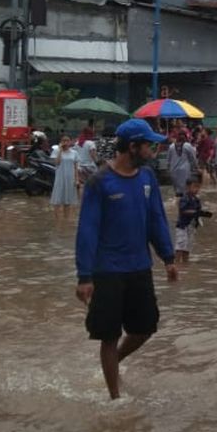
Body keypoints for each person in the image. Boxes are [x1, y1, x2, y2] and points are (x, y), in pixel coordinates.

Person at [75, 118, 178, 400]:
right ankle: (115, 398)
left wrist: (168, 257)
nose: (152, 151)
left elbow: (156, 218)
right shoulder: (99, 182)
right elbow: (87, 230)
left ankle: (114, 364)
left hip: (139, 267)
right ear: (132, 147)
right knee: (108, 334)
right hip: (107, 271)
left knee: (146, 327)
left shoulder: (147, 178)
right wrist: (84, 276)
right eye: (148, 145)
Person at [174, 177, 208, 264]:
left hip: (191, 226)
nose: (196, 189)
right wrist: (195, 212)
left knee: (188, 245)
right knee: (181, 244)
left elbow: (198, 211)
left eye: (198, 187)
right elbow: (182, 210)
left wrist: (201, 214)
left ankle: (185, 263)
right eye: (194, 187)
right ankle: (177, 263)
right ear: (188, 187)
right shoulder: (185, 198)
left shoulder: (196, 200)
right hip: (182, 226)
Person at [50, 135, 80, 216]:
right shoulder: (56, 151)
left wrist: (77, 180)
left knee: (68, 201)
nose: (65, 142)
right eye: (63, 140)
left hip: (70, 178)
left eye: (67, 140)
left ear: (70, 142)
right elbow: (57, 163)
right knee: (57, 200)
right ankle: (57, 221)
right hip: (60, 178)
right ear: (61, 142)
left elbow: (76, 168)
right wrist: (60, 150)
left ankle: (66, 221)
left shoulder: (74, 153)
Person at [167, 131, 198, 201]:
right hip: (185, 171)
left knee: (177, 191)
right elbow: (193, 157)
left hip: (174, 171)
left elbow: (168, 160)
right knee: (186, 191)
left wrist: (168, 169)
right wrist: (196, 167)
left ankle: (178, 206)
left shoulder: (171, 146)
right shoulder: (188, 145)